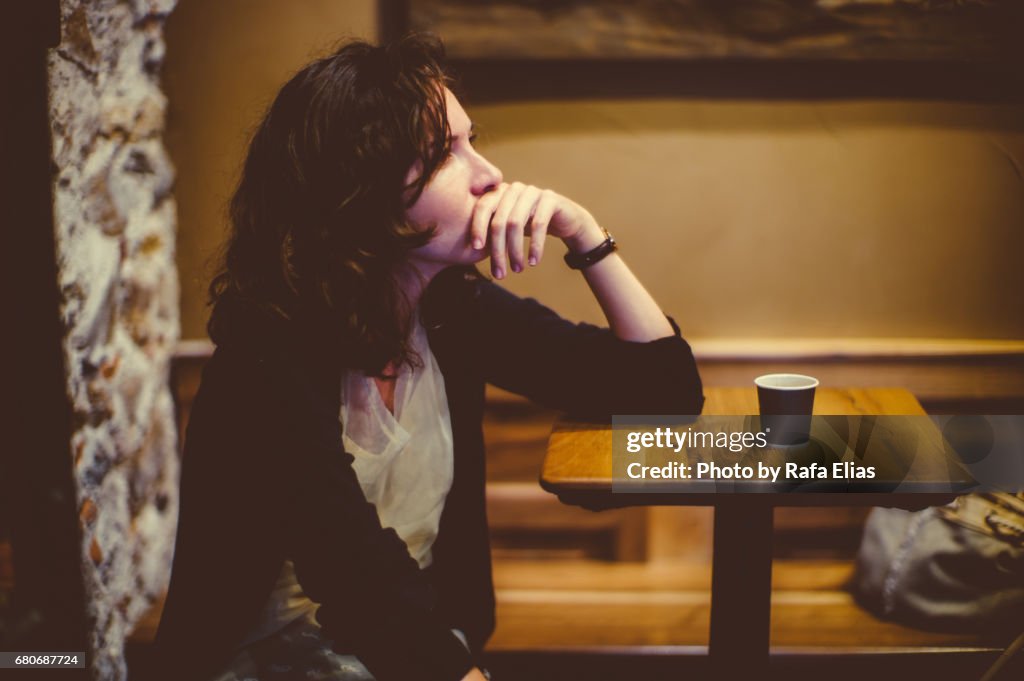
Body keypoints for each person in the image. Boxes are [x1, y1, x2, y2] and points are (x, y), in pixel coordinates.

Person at [152, 34, 704, 681]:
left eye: (472, 141)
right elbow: (354, 570)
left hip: (404, 650)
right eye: (446, 152)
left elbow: (664, 389)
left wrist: (584, 233)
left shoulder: (449, 311)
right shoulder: (266, 354)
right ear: (360, 189)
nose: (489, 174)